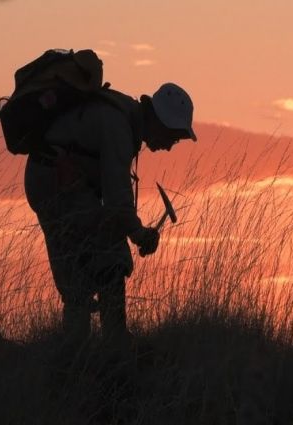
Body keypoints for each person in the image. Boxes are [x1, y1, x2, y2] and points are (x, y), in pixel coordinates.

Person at [24, 82, 197, 349]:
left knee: (77, 279)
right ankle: (115, 341)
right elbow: (118, 201)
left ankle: (76, 353)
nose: (170, 145)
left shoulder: (120, 119)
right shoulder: (118, 126)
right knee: (111, 248)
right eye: (173, 136)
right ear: (160, 120)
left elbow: (113, 197)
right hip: (56, 185)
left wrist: (130, 227)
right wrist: (138, 234)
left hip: (47, 182)